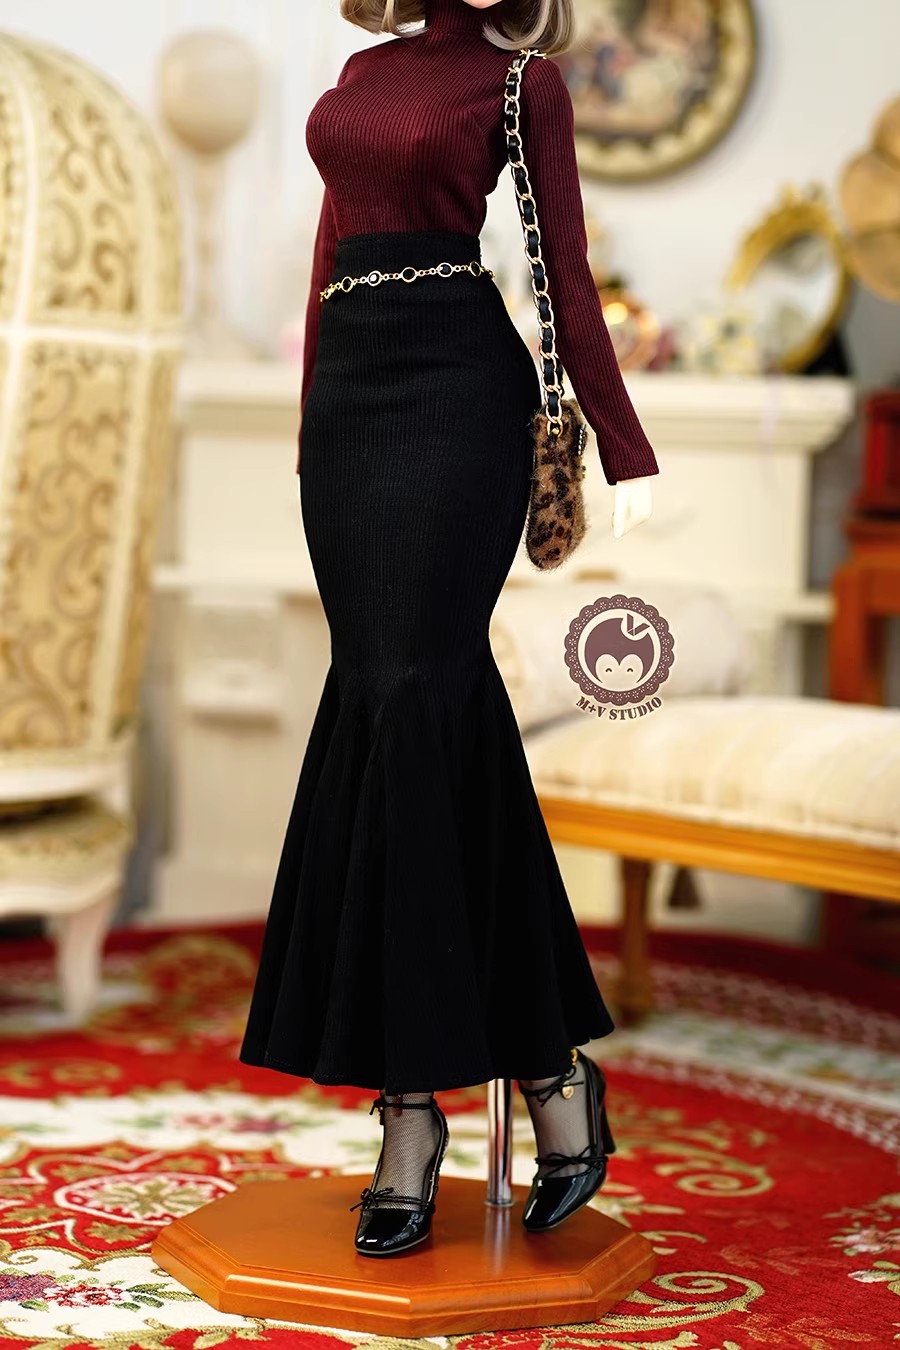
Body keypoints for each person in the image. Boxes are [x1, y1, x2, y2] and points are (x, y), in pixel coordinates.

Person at [238, 0, 659, 1258]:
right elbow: (330, 249)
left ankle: (414, 1120)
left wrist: (625, 453)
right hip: (352, 410)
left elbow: (564, 273)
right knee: (406, 713)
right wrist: (312, 428)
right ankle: (546, 1076)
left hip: (457, 393)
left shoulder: (525, 83)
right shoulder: (363, 71)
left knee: (419, 700)